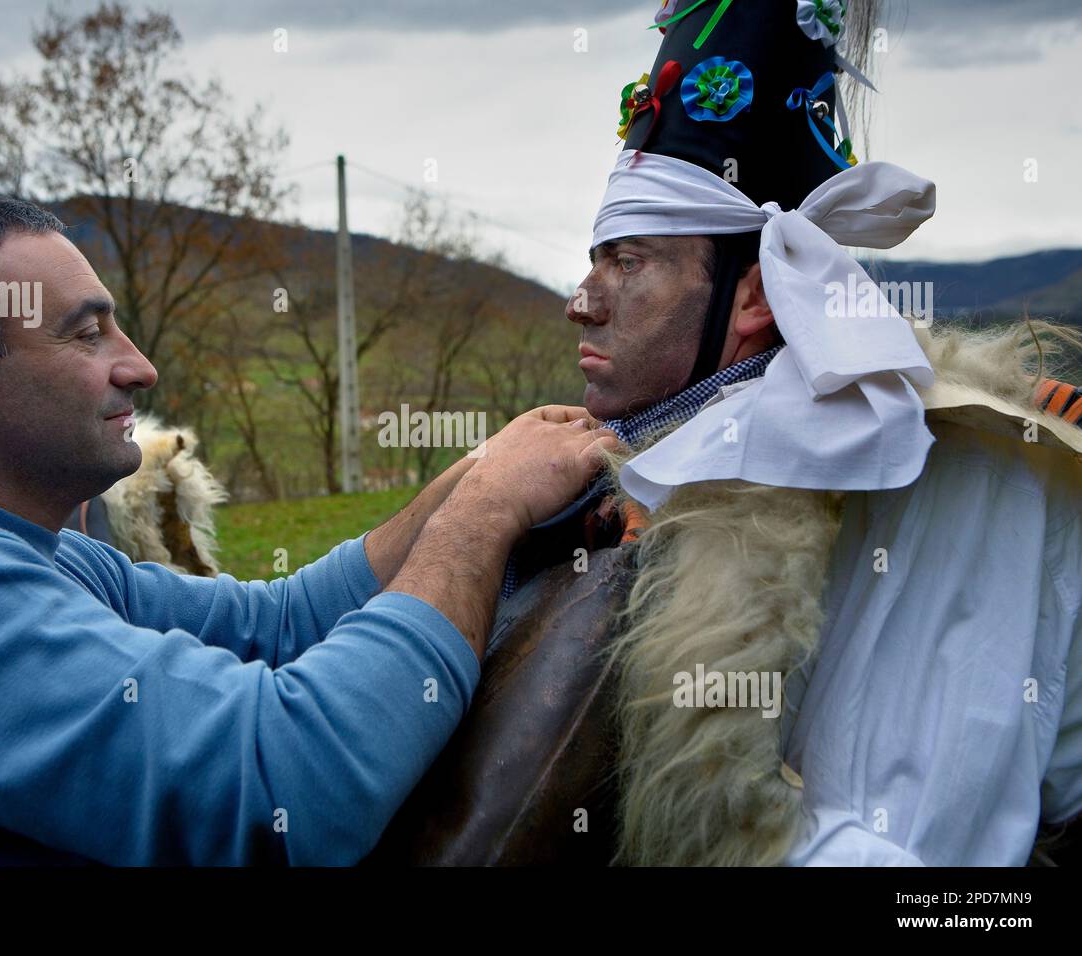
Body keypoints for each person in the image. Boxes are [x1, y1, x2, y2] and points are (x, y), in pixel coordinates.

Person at [393, 0, 1081, 867]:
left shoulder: (1020, 469)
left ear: (754, 296)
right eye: (595, 260)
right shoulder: (1031, 455)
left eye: (628, 261)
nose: (581, 301)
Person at [0, 194, 618, 865]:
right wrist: (481, 522)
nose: (139, 367)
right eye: (84, 333)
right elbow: (289, 790)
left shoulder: (42, 556)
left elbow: (279, 624)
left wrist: (475, 477)